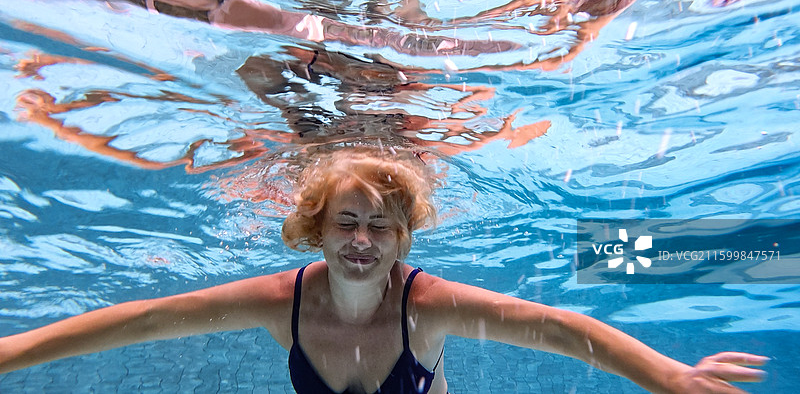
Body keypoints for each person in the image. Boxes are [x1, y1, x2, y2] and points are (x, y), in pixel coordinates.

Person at [0, 145, 768, 393]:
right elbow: (141, 320)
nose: (362, 240)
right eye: (346, 222)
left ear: (403, 238)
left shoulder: (426, 304)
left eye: (381, 226)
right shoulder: (279, 300)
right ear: (317, 229)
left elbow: (557, 326)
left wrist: (671, 376)